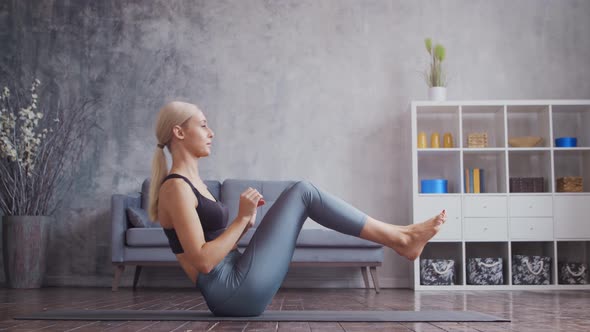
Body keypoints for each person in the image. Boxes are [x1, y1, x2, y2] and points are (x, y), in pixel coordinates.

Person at [148, 101, 446, 317]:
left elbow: (214, 251)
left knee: (303, 192)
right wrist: (241, 220)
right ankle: (402, 239)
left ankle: (402, 235)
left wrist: (246, 222)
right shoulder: (175, 188)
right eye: (202, 125)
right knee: (303, 191)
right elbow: (203, 262)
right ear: (179, 132)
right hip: (231, 293)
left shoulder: (192, 182)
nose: (211, 132)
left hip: (236, 281)